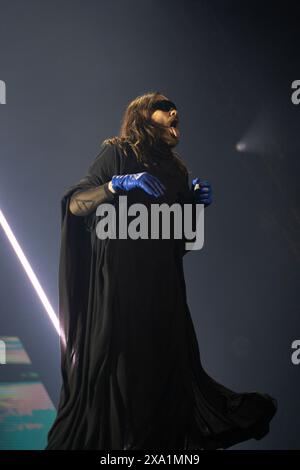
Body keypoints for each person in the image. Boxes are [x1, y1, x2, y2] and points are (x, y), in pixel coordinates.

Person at [45, 91, 277, 450]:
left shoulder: (177, 170)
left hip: (163, 292)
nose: (174, 114)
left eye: (177, 112)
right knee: (120, 380)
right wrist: (114, 185)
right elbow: (76, 204)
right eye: (165, 109)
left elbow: (179, 244)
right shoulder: (118, 152)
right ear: (142, 116)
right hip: (119, 289)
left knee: (165, 384)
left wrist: (195, 208)